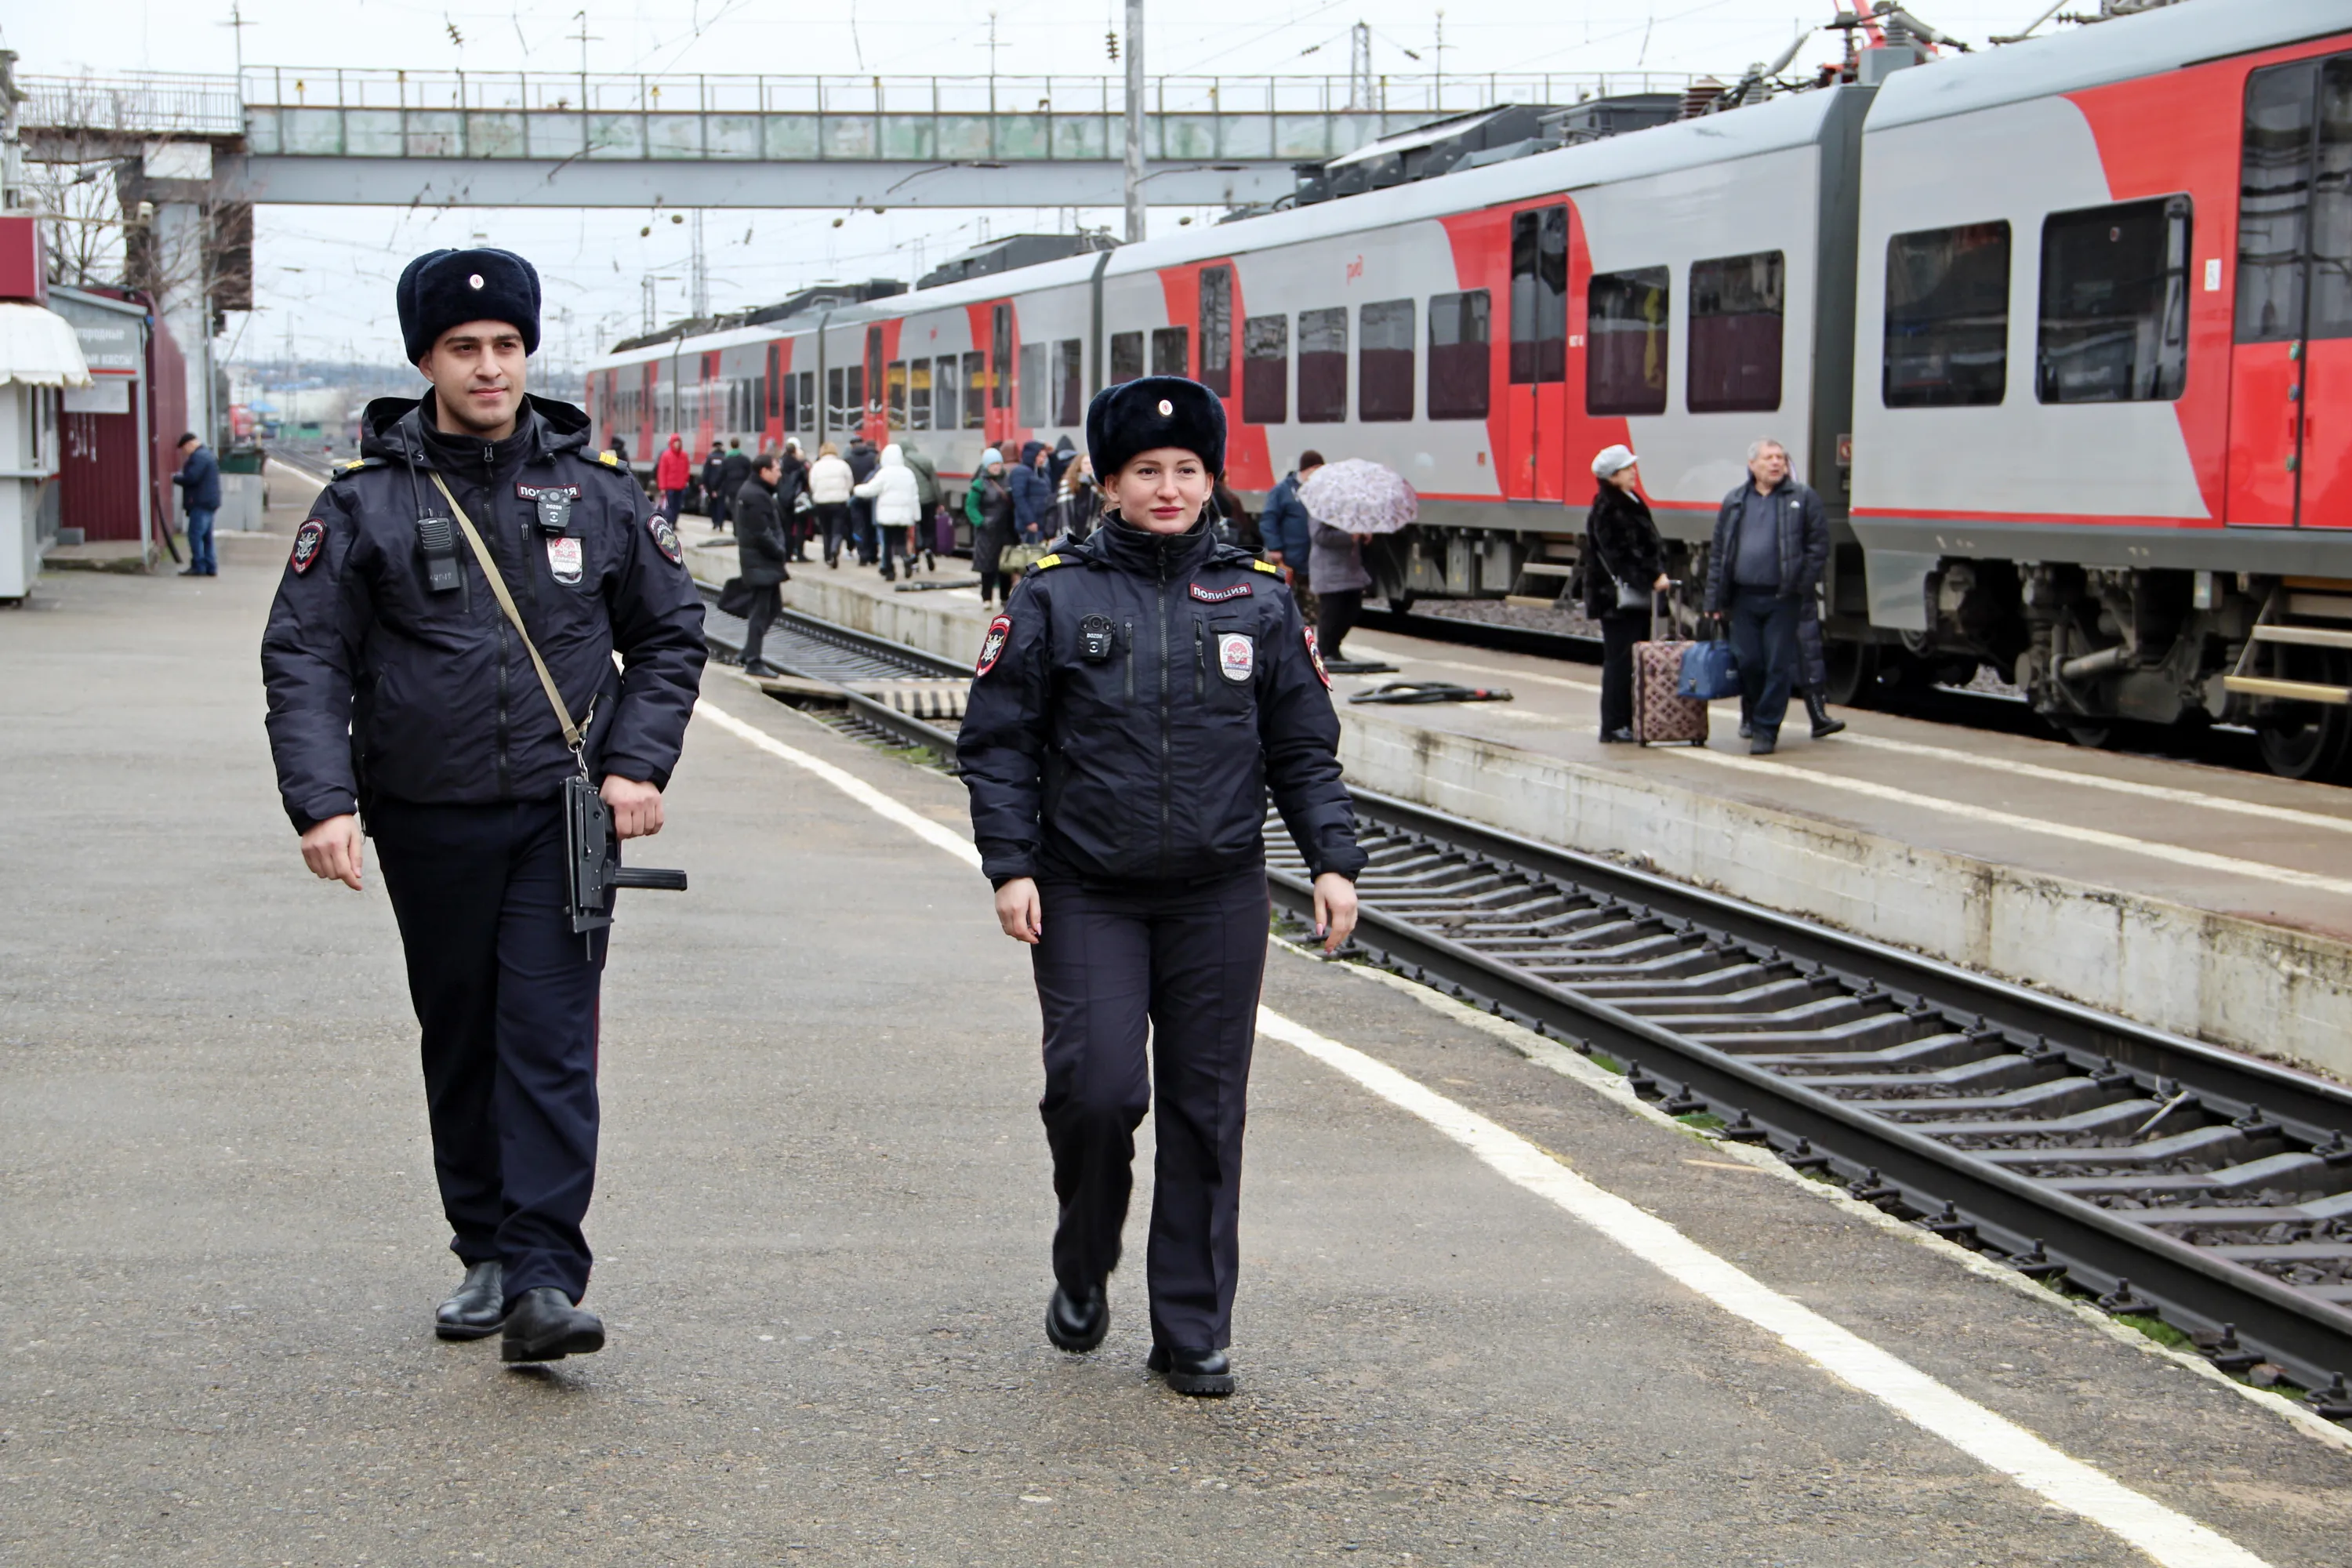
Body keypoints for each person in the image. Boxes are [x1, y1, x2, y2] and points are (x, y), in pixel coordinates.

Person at [259, 245, 706, 1363]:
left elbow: (668, 637)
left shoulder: (598, 496)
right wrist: (323, 801)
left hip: (565, 819)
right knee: (461, 1034)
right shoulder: (364, 504)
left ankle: (548, 1273)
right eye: (465, 348)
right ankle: (485, 1253)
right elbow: (306, 657)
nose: (490, 366)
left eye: (507, 345)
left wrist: (637, 765)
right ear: (427, 361)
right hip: (427, 814)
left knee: (550, 1042)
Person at [957, 375, 1365, 1399]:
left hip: (1218, 895)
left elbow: (1304, 747)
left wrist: (1330, 859)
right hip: (1087, 889)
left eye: (1188, 470)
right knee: (1098, 1093)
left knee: (1204, 1110)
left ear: (1212, 481)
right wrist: (1011, 867)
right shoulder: (1054, 594)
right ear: (1109, 483)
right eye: (1148, 470)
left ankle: (1192, 1328)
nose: (1170, 487)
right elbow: (998, 743)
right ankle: (1084, 1258)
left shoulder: (1261, 598)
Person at [1704, 437, 1829, 756]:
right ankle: (1756, 714)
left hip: (1782, 598)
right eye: (1769, 458)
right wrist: (1714, 600)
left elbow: (1818, 546)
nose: (1776, 463)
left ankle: (1766, 729)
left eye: (1780, 458)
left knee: (1778, 664)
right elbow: (1719, 553)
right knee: (1749, 661)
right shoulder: (1735, 501)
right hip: (1744, 598)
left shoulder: (1802, 498)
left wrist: (1801, 584)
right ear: (1752, 465)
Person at [1582, 445, 1671, 743]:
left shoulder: (1626, 500)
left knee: (1630, 660)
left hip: (1630, 599)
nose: (1633, 472)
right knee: (1620, 661)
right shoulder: (1610, 508)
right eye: (1627, 469)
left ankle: (1628, 720)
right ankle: (1613, 725)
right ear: (1613, 476)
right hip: (1617, 600)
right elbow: (1621, 553)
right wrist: (1652, 575)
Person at [733, 451, 790, 677]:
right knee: (760, 611)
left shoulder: (756, 491)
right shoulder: (754, 495)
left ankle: (748, 652)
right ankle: (753, 662)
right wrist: (779, 550)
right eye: (776, 469)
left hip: (762, 562)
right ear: (764, 471)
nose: (779, 474)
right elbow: (761, 532)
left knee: (773, 607)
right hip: (761, 561)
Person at [1258, 450, 1323, 612]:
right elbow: (1268, 520)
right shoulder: (1282, 491)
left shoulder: (1318, 491)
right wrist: (1274, 547)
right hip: (1288, 558)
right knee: (1285, 606)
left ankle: (1307, 635)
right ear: (1309, 469)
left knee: (1310, 610)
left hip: (1311, 561)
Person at [1308, 506, 1371, 663]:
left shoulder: (1352, 507)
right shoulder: (1321, 507)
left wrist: (1364, 533)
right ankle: (1324, 651)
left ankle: (1334, 649)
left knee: (1351, 609)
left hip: (1350, 568)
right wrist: (1350, 537)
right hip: (1329, 568)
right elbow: (1319, 535)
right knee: (1332, 612)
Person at [853, 442, 923, 583]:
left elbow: (871, 489)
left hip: (887, 516)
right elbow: (915, 496)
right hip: (904, 515)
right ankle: (906, 560)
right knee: (901, 541)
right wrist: (916, 515)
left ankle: (890, 572)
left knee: (888, 543)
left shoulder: (884, 473)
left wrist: (856, 489)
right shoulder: (908, 473)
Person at [966, 448, 1018, 607]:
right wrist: (981, 522)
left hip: (1006, 530)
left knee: (1005, 566)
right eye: (993, 464)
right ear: (986, 466)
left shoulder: (1008, 480)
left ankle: (1004, 597)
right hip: (987, 532)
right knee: (987, 566)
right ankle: (986, 598)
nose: (996, 467)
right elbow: (971, 507)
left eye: (998, 464)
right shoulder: (979, 484)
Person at [172, 432, 222, 577]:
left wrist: (175, 478)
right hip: (209, 501)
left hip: (201, 502)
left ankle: (198, 566)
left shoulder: (199, 457)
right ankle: (210, 566)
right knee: (206, 537)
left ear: (190, 444)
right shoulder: (207, 454)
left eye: (184, 449)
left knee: (195, 535)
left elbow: (191, 478)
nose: (185, 453)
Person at [806, 440, 855, 567]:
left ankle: (827, 556)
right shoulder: (842, 465)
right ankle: (834, 550)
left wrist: (818, 494)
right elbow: (850, 482)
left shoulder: (816, 466)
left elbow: (812, 484)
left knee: (826, 530)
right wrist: (845, 492)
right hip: (839, 501)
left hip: (821, 502)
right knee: (837, 530)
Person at [901, 441, 942, 572]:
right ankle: (929, 549)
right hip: (929, 500)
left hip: (913, 501)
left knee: (915, 530)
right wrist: (940, 501)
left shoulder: (902, 463)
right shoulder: (926, 460)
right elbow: (935, 483)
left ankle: (915, 557)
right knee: (929, 528)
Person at [1046, 451, 1098, 546]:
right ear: (1079, 465)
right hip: (1070, 529)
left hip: (1088, 531)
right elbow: (1056, 510)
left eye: (1091, 463)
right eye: (1085, 463)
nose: (1089, 466)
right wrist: (1050, 533)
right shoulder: (1067, 485)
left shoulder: (1096, 486)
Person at [1009, 439, 1054, 544]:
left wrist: (1053, 455)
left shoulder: (1042, 472)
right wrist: (1029, 521)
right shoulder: (1020, 472)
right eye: (1040, 456)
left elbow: (1056, 473)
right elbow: (1019, 498)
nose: (1042, 460)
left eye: (1044, 457)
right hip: (1030, 525)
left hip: (1042, 523)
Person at [846, 434, 881, 564]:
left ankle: (862, 555)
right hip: (871, 497)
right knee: (871, 526)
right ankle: (873, 555)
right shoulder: (873, 458)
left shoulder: (848, 459)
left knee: (859, 527)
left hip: (856, 498)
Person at [779, 437, 811, 561]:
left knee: (786, 527)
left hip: (784, 498)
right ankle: (800, 553)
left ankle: (787, 554)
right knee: (800, 527)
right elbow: (805, 480)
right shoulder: (800, 464)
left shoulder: (780, 463)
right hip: (798, 499)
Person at [717, 439, 751, 536]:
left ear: (731, 446)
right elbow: (750, 473)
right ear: (739, 445)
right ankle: (743, 530)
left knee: (734, 510)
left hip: (731, 489)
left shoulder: (727, 460)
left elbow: (721, 475)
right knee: (743, 509)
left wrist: (715, 487)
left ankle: (736, 531)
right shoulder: (745, 459)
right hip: (743, 488)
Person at [655, 434, 691, 520]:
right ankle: (671, 522)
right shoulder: (666, 455)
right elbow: (662, 472)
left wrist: (686, 481)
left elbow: (687, 469)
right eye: (675, 442)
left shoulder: (684, 455)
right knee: (670, 506)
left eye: (678, 442)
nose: (677, 444)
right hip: (669, 487)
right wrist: (662, 487)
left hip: (680, 486)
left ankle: (674, 522)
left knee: (678, 506)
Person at [701, 442, 728, 529]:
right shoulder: (726, 458)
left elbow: (706, 473)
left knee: (713, 504)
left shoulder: (710, 457)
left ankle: (714, 522)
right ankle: (720, 524)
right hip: (723, 486)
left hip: (711, 486)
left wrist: (705, 484)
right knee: (721, 505)